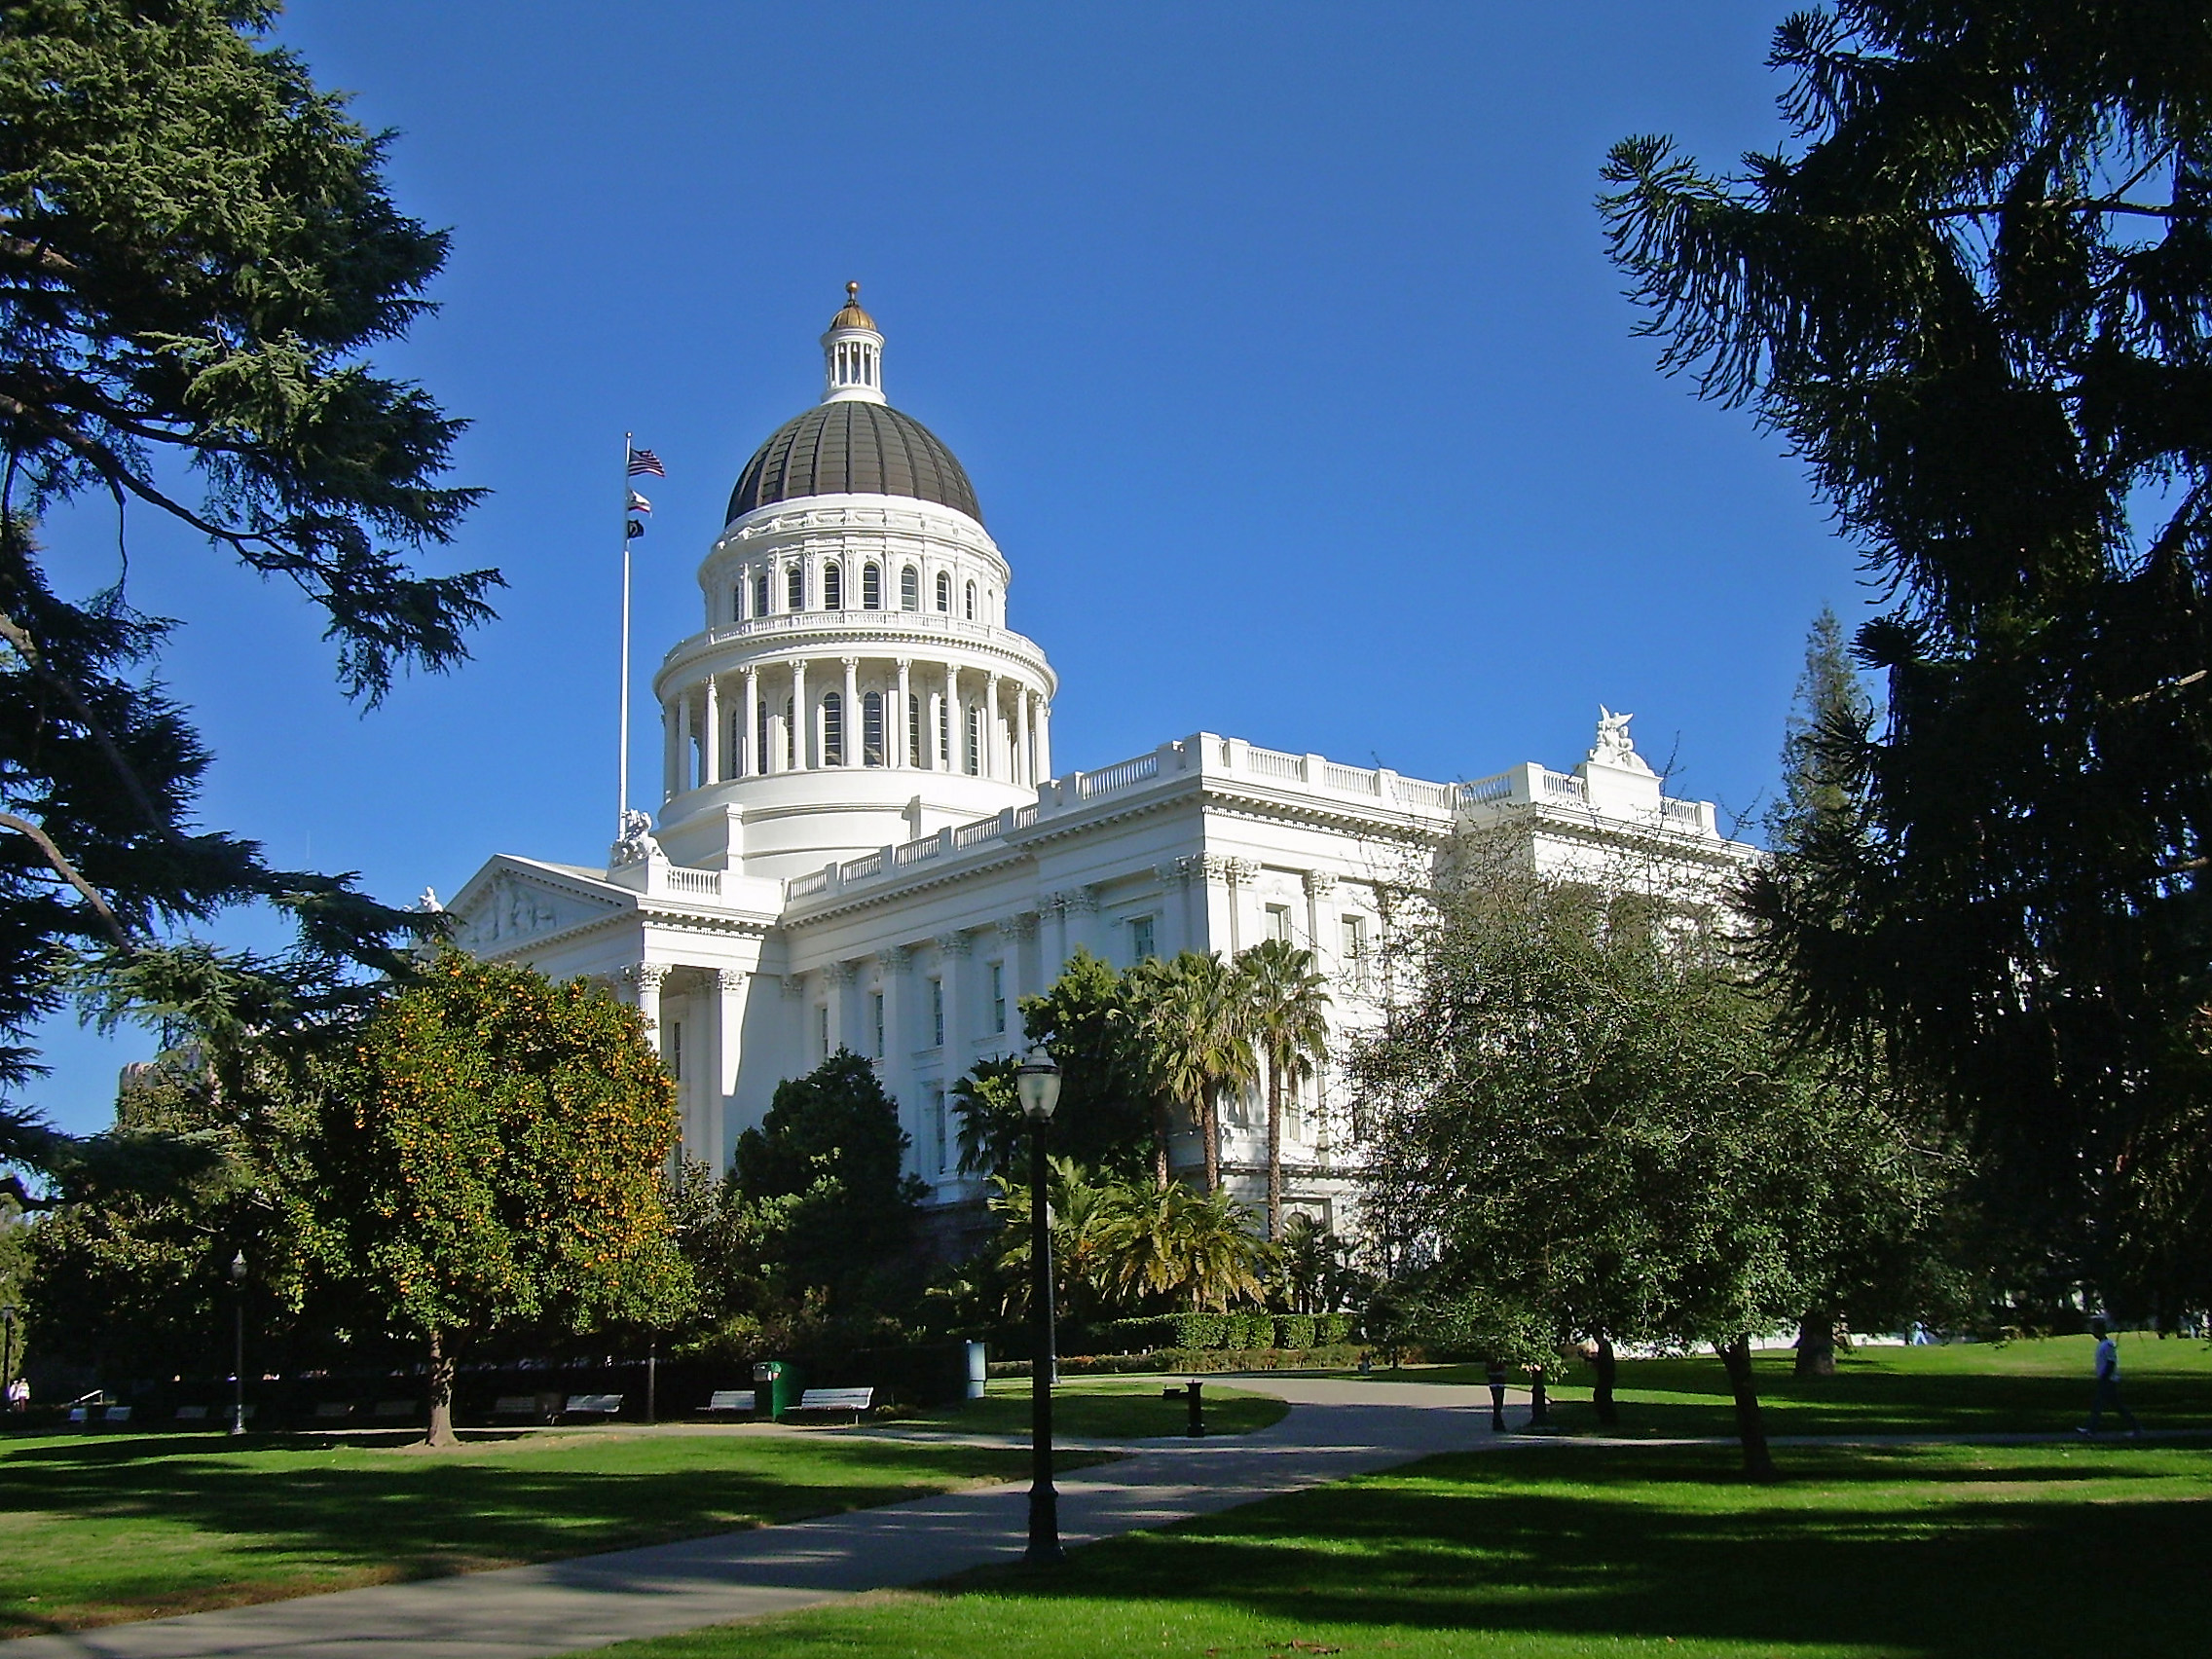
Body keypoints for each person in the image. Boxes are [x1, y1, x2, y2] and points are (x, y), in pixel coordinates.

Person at [2078, 1317, 2141, 1436]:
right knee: (2117, 1406)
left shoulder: (2108, 1345)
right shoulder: (2103, 1345)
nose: (2092, 1333)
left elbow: (2111, 1362)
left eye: (2094, 1329)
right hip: (2106, 1379)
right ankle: (2135, 1427)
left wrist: (2104, 1377)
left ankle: (2091, 1429)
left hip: (2108, 1380)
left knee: (2098, 1405)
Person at [1484, 1358, 1509, 1432]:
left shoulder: (1499, 1360)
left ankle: (1497, 1421)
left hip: (1497, 1382)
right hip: (1496, 1382)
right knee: (1498, 1402)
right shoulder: (1496, 1361)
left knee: (1498, 1402)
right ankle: (1498, 1422)